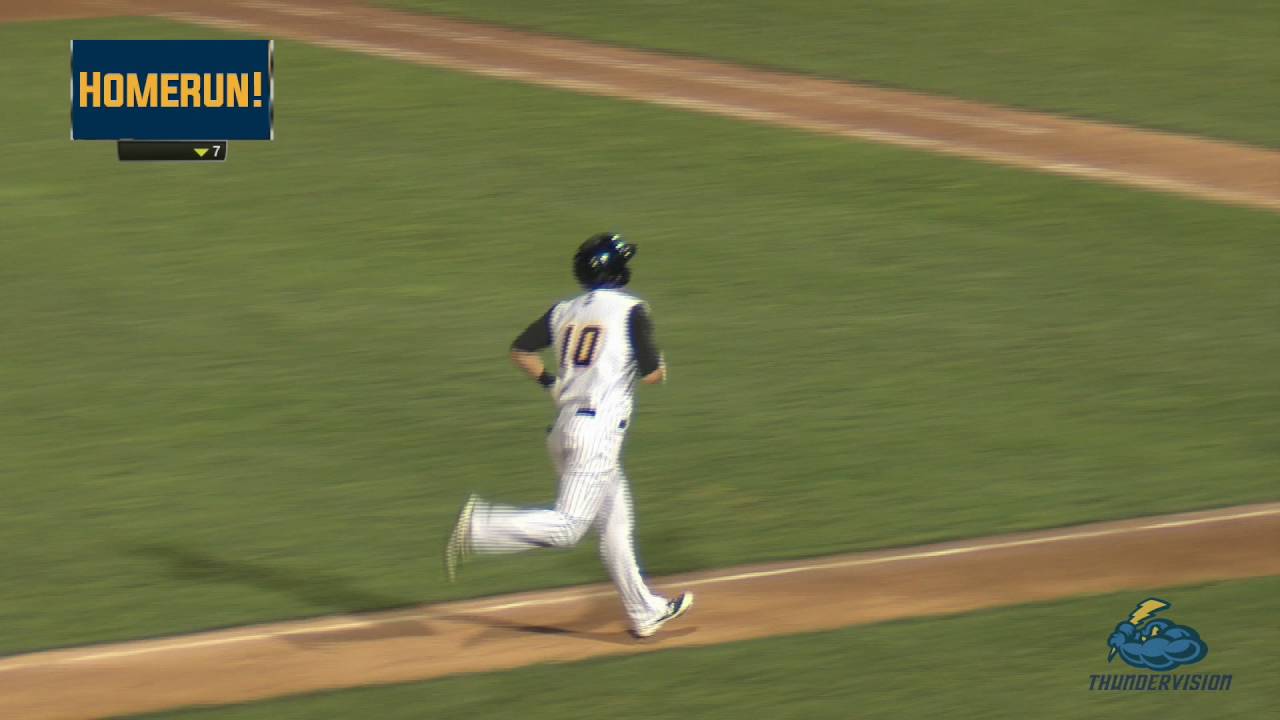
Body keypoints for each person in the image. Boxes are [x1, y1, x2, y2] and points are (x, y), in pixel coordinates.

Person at [444, 232, 693, 639]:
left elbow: (521, 351)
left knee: (615, 525)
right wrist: (659, 361)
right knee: (568, 528)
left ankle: (643, 611)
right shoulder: (631, 310)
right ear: (617, 270)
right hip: (595, 438)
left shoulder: (564, 310)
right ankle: (480, 528)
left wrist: (551, 383)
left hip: (565, 429)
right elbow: (652, 376)